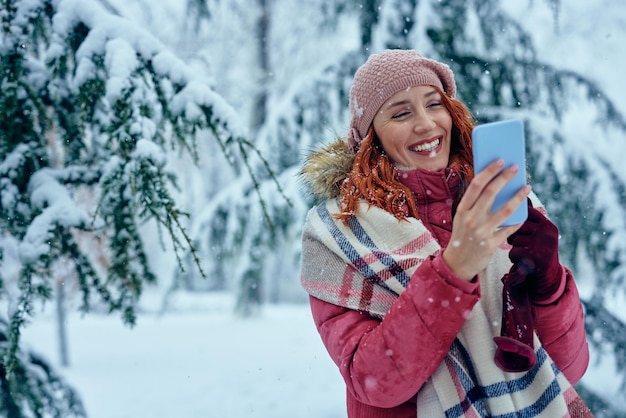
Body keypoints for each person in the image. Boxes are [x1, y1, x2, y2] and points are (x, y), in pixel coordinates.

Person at [299, 49, 592, 418]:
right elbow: (374, 382)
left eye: (434, 104)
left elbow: (571, 367)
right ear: (370, 136)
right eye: (401, 112)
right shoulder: (339, 235)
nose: (425, 124)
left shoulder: (505, 205)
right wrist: (453, 270)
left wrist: (550, 286)